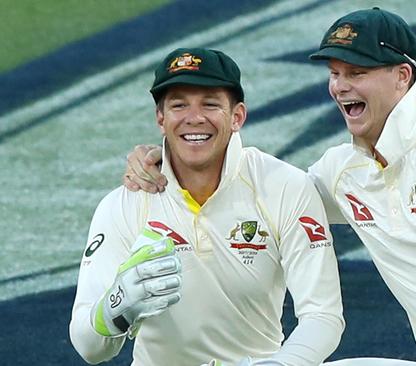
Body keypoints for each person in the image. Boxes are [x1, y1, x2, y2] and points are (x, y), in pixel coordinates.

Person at [123, 8, 416, 366]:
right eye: (335, 73)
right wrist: (166, 153)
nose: (340, 86)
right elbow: (262, 194)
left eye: (357, 72)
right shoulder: (342, 172)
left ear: (402, 76)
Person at [69, 47, 345, 366]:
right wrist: (115, 308)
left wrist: (280, 365)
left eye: (210, 104)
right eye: (179, 105)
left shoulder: (284, 186)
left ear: (237, 116)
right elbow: (89, 348)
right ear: (161, 118)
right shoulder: (124, 203)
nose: (194, 118)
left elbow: (323, 315)